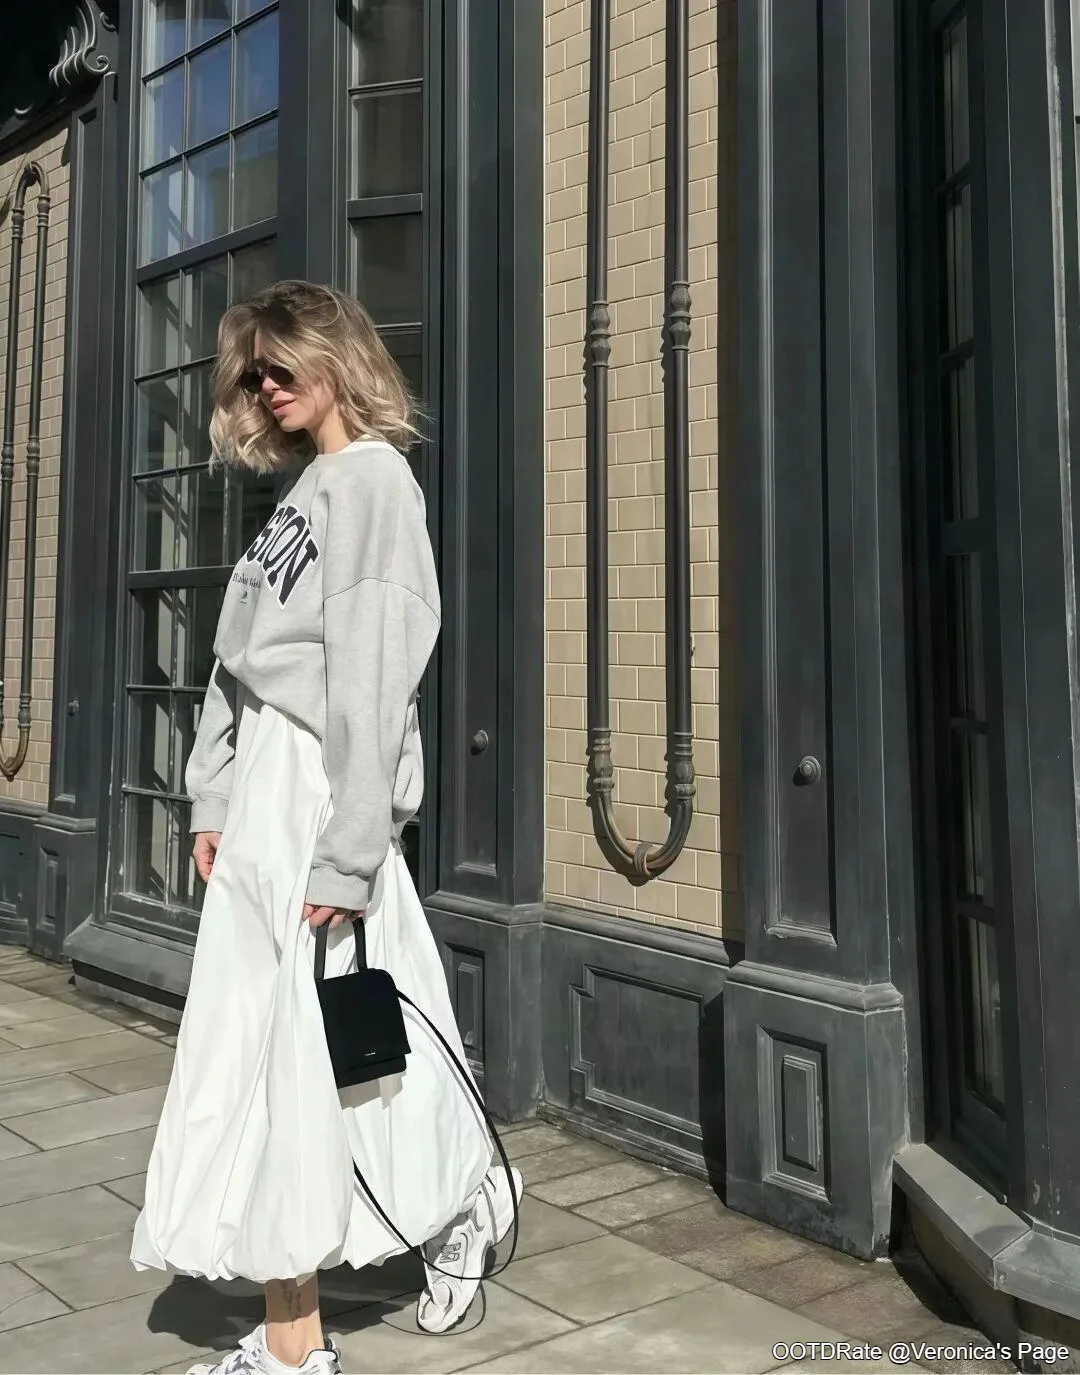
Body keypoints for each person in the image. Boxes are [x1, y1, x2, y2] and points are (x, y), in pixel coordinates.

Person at [130, 280, 523, 1375]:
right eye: (253, 372)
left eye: (280, 364)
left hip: (317, 790)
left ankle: (298, 1342)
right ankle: (462, 1196)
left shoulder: (377, 485)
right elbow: (236, 659)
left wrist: (350, 849)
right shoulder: (302, 490)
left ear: (336, 357)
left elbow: (375, 678)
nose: (265, 386)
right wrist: (213, 791)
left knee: (313, 1048)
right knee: (323, 1044)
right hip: (266, 797)